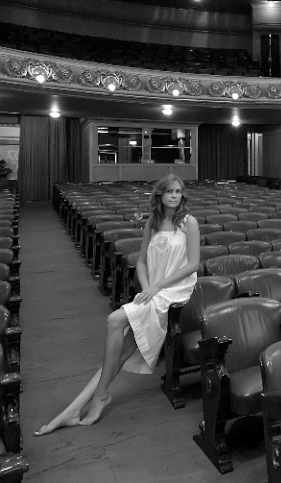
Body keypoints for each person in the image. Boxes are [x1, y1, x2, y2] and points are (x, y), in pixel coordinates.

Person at [35, 174, 200, 435]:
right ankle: (81, 405)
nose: (174, 195)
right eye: (169, 191)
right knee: (123, 350)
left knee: (115, 321)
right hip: (152, 289)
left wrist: (158, 287)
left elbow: (193, 264)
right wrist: (148, 287)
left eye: (178, 191)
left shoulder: (189, 222)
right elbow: (142, 262)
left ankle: (97, 397)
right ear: (160, 195)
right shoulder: (153, 223)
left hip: (175, 289)